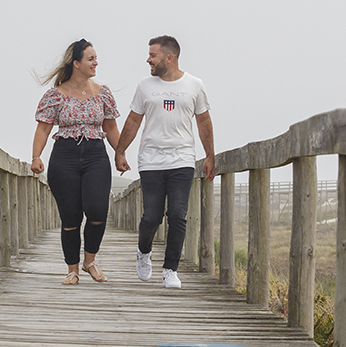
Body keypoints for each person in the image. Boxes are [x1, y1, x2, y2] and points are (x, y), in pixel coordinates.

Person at [114, 35, 214, 289]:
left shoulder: (195, 85)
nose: (148, 59)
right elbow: (134, 120)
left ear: (169, 57)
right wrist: (120, 151)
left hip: (181, 158)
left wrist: (210, 155)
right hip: (151, 159)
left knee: (178, 215)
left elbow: (203, 122)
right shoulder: (145, 85)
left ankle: (170, 269)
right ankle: (143, 251)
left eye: (153, 55)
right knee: (152, 217)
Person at [31, 39, 121, 285]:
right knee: (70, 216)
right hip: (65, 156)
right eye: (91, 58)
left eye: (95, 58)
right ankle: (72, 269)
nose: (96, 63)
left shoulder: (103, 93)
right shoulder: (54, 95)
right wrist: (36, 156)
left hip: (95, 154)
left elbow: (110, 127)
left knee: (97, 210)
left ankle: (89, 260)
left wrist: (120, 153)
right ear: (76, 63)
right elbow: (43, 130)